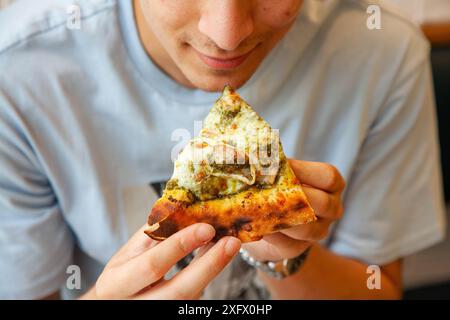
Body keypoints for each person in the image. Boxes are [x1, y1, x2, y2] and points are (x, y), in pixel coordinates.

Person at [0, 0, 446, 300]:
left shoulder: (381, 52)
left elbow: (378, 290)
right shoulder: (19, 70)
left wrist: (286, 253)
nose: (227, 34)